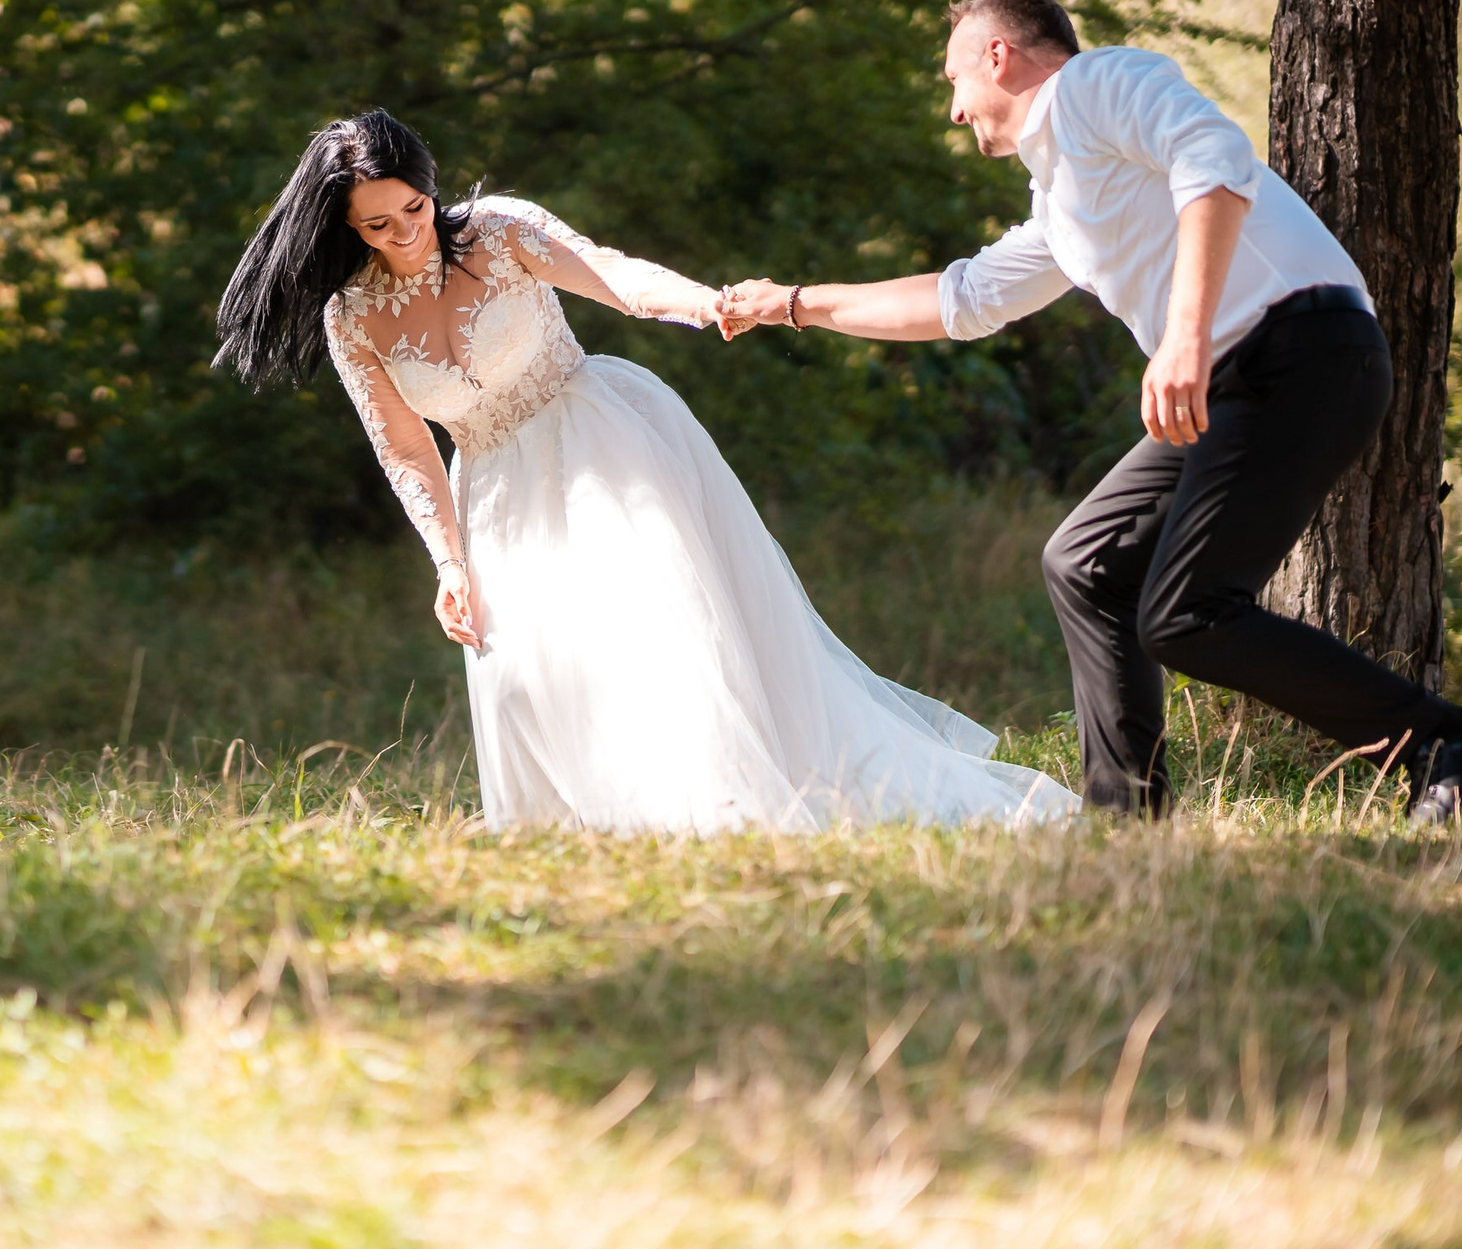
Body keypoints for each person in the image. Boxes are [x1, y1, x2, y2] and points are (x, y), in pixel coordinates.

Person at [719, 0, 1462, 825]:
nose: (954, 112)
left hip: (1302, 353)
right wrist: (795, 302)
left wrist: (1183, 335)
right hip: (1240, 372)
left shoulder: (1098, 86)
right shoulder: (1062, 197)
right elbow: (961, 299)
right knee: (1086, 562)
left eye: (953, 80)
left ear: (1000, 56)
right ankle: (1125, 817)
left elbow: (1215, 155)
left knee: (1184, 612)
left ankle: (1447, 740)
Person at [216, 110, 1074, 833]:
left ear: (429, 186)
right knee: (531, 670)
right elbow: (404, 444)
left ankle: (722, 812)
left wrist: (706, 304)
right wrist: (448, 560)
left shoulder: (499, 231)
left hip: (598, 437)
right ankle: (595, 830)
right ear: (346, 227)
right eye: (378, 225)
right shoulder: (351, 316)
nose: (405, 234)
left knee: (655, 630)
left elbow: (615, 277)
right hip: (495, 488)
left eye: (413, 208)